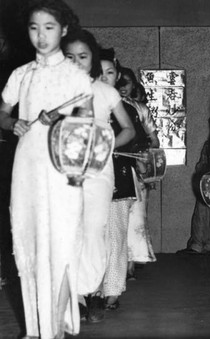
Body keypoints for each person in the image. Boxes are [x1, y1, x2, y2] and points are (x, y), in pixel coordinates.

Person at [0, 0, 93, 337]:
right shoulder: (20, 74)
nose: (41, 36)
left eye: (49, 27)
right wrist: (13, 123)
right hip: (27, 167)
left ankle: (53, 326)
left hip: (63, 169)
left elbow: (88, 125)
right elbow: (2, 111)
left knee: (63, 243)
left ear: (64, 30)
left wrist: (62, 121)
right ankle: (35, 328)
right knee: (30, 241)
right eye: (34, 28)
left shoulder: (75, 76)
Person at [62, 29, 135, 323]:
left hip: (99, 173)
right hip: (65, 172)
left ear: (92, 58)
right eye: (70, 56)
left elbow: (128, 129)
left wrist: (105, 147)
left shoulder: (107, 92)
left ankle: (90, 290)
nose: (77, 62)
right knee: (71, 232)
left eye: (83, 56)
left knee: (93, 231)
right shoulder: (54, 91)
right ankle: (76, 297)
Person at [99, 48, 138, 311]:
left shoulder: (126, 109)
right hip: (88, 181)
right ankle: (89, 288)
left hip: (119, 180)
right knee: (92, 237)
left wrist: (107, 145)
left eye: (110, 73)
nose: (104, 78)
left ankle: (112, 290)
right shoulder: (80, 104)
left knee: (115, 236)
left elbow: (137, 139)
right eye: (98, 73)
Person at [117, 67, 158, 279]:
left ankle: (131, 264)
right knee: (116, 217)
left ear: (134, 84)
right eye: (119, 81)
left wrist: (144, 154)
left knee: (136, 217)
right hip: (114, 168)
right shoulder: (108, 107)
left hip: (137, 169)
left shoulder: (140, 109)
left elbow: (154, 140)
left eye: (128, 82)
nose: (123, 86)